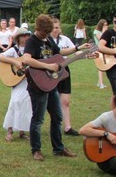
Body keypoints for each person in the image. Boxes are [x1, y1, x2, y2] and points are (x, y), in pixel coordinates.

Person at [22, 14, 86, 161]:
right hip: (38, 85)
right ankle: (36, 150)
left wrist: (77, 48)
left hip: (50, 84)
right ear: (38, 28)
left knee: (57, 117)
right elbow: (26, 59)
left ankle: (58, 148)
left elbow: (59, 52)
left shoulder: (48, 39)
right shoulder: (32, 41)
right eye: (43, 33)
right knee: (38, 119)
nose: (45, 36)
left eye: (47, 33)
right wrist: (47, 66)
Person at [0, 27, 32, 142]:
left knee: (26, 104)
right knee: (14, 102)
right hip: (17, 81)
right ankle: (10, 130)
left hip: (28, 80)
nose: (26, 38)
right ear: (18, 38)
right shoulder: (15, 50)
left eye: (27, 35)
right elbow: (0, 56)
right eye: (23, 36)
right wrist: (15, 62)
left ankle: (22, 130)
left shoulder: (31, 50)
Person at [50, 18, 80, 136]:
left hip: (64, 71)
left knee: (66, 101)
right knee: (50, 101)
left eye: (57, 27)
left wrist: (85, 54)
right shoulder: (46, 41)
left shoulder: (65, 39)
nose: (55, 30)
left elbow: (75, 52)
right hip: (50, 71)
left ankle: (68, 127)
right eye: (53, 27)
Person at [93, 19, 108, 89]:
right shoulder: (96, 32)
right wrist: (104, 31)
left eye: (106, 25)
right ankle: (101, 83)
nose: (106, 26)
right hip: (97, 50)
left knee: (103, 67)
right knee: (100, 67)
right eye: (104, 25)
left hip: (103, 50)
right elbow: (101, 39)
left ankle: (100, 82)